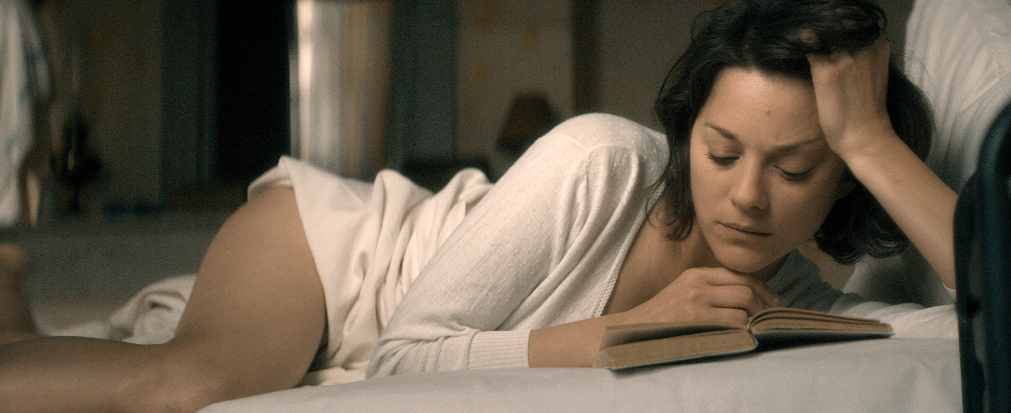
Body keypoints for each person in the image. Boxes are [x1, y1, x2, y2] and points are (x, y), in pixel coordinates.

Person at [0, 0, 957, 411]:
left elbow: (980, 316)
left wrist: (871, 140)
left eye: (794, 169)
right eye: (719, 151)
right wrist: (625, 331)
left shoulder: (791, 303)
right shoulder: (597, 161)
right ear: (684, 134)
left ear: (841, 178)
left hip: (352, 317)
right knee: (188, 385)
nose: (745, 194)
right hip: (342, 262)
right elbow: (404, 355)